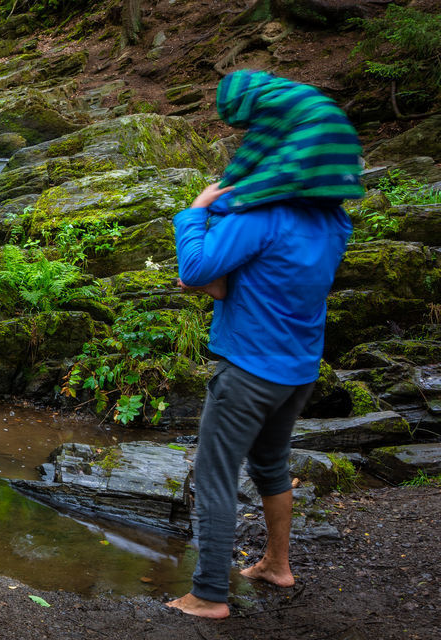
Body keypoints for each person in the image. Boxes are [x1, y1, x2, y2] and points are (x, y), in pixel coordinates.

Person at [165, 69, 364, 619]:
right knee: (271, 465)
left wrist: (197, 211)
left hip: (249, 368)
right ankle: (277, 565)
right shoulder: (334, 220)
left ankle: (207, 596)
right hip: (298, 368)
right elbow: (268, 276)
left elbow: (199, 266)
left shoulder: (261, 214)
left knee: (214, 474)